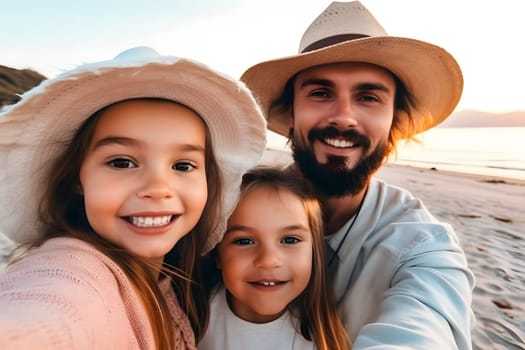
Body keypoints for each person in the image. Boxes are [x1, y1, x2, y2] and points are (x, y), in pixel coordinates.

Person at [241, 1, 475, 349]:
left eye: (368, 97)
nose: (344, 117)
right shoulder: (231, 208)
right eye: (320, 93)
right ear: (291, 113)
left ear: (395, 121)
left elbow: (428, 321)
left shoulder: (422, 246)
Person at [0, 46, 266, 349]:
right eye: (122, 162)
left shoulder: (179, 281)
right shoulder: (71, 277)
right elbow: (45, 317)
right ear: (77, 177)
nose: (157, 187)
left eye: (183, 165)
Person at [198, 165, 350, 350]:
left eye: (290, 240)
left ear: (314, 251)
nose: (268, 260)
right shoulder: (191, 320)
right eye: (244, 241)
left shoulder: (326, 336)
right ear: (218, 254)